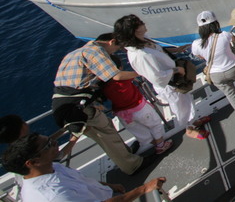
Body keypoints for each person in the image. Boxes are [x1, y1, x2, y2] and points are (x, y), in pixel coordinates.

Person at [51, 36, 144, 175]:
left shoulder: (73, 54)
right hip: (78, 108)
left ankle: (127, 154)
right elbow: (116, 75)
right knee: (106, 135)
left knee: (108, 128)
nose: (114, 52)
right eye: (117, 48)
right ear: (111, 41)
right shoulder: (95, 51)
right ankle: (132, 165)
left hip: (66, 105)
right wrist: (142, 73)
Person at [115, 15, 210, 141]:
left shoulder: (143, 41)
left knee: (186, 101)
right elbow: (157, 77)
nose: (144, 23)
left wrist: (175, 50)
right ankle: (188, 128)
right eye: (140, 23)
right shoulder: (140, 55)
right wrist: (177, 70)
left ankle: (192, 121)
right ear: (135, 30)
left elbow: (158, 50)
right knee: (180, 107)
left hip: (174, 80)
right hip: (169, 84)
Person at [2, 132, 166, 202]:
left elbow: (79, 180)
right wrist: (144, 189)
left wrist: (109, 186)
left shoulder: (50, 166)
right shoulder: (52, 196)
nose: (55, 143)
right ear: (32, 162)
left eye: (50, 140)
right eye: (48, 145)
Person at [99, 45, 173, 156]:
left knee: (141, 134)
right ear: (119, 68)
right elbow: (132, 74)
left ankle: (154, 145)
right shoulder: (123, 79)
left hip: (123, 115)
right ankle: (161, 145)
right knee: (155, 124)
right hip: (139, 109)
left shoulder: (103, 86)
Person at [191, 11, 235, 117]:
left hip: (216, 74)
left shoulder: (196, 44)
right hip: (233, 68)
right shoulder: (225, 35)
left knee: (230, 93)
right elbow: (233, 39)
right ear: (215, 23)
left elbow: (200, 56)